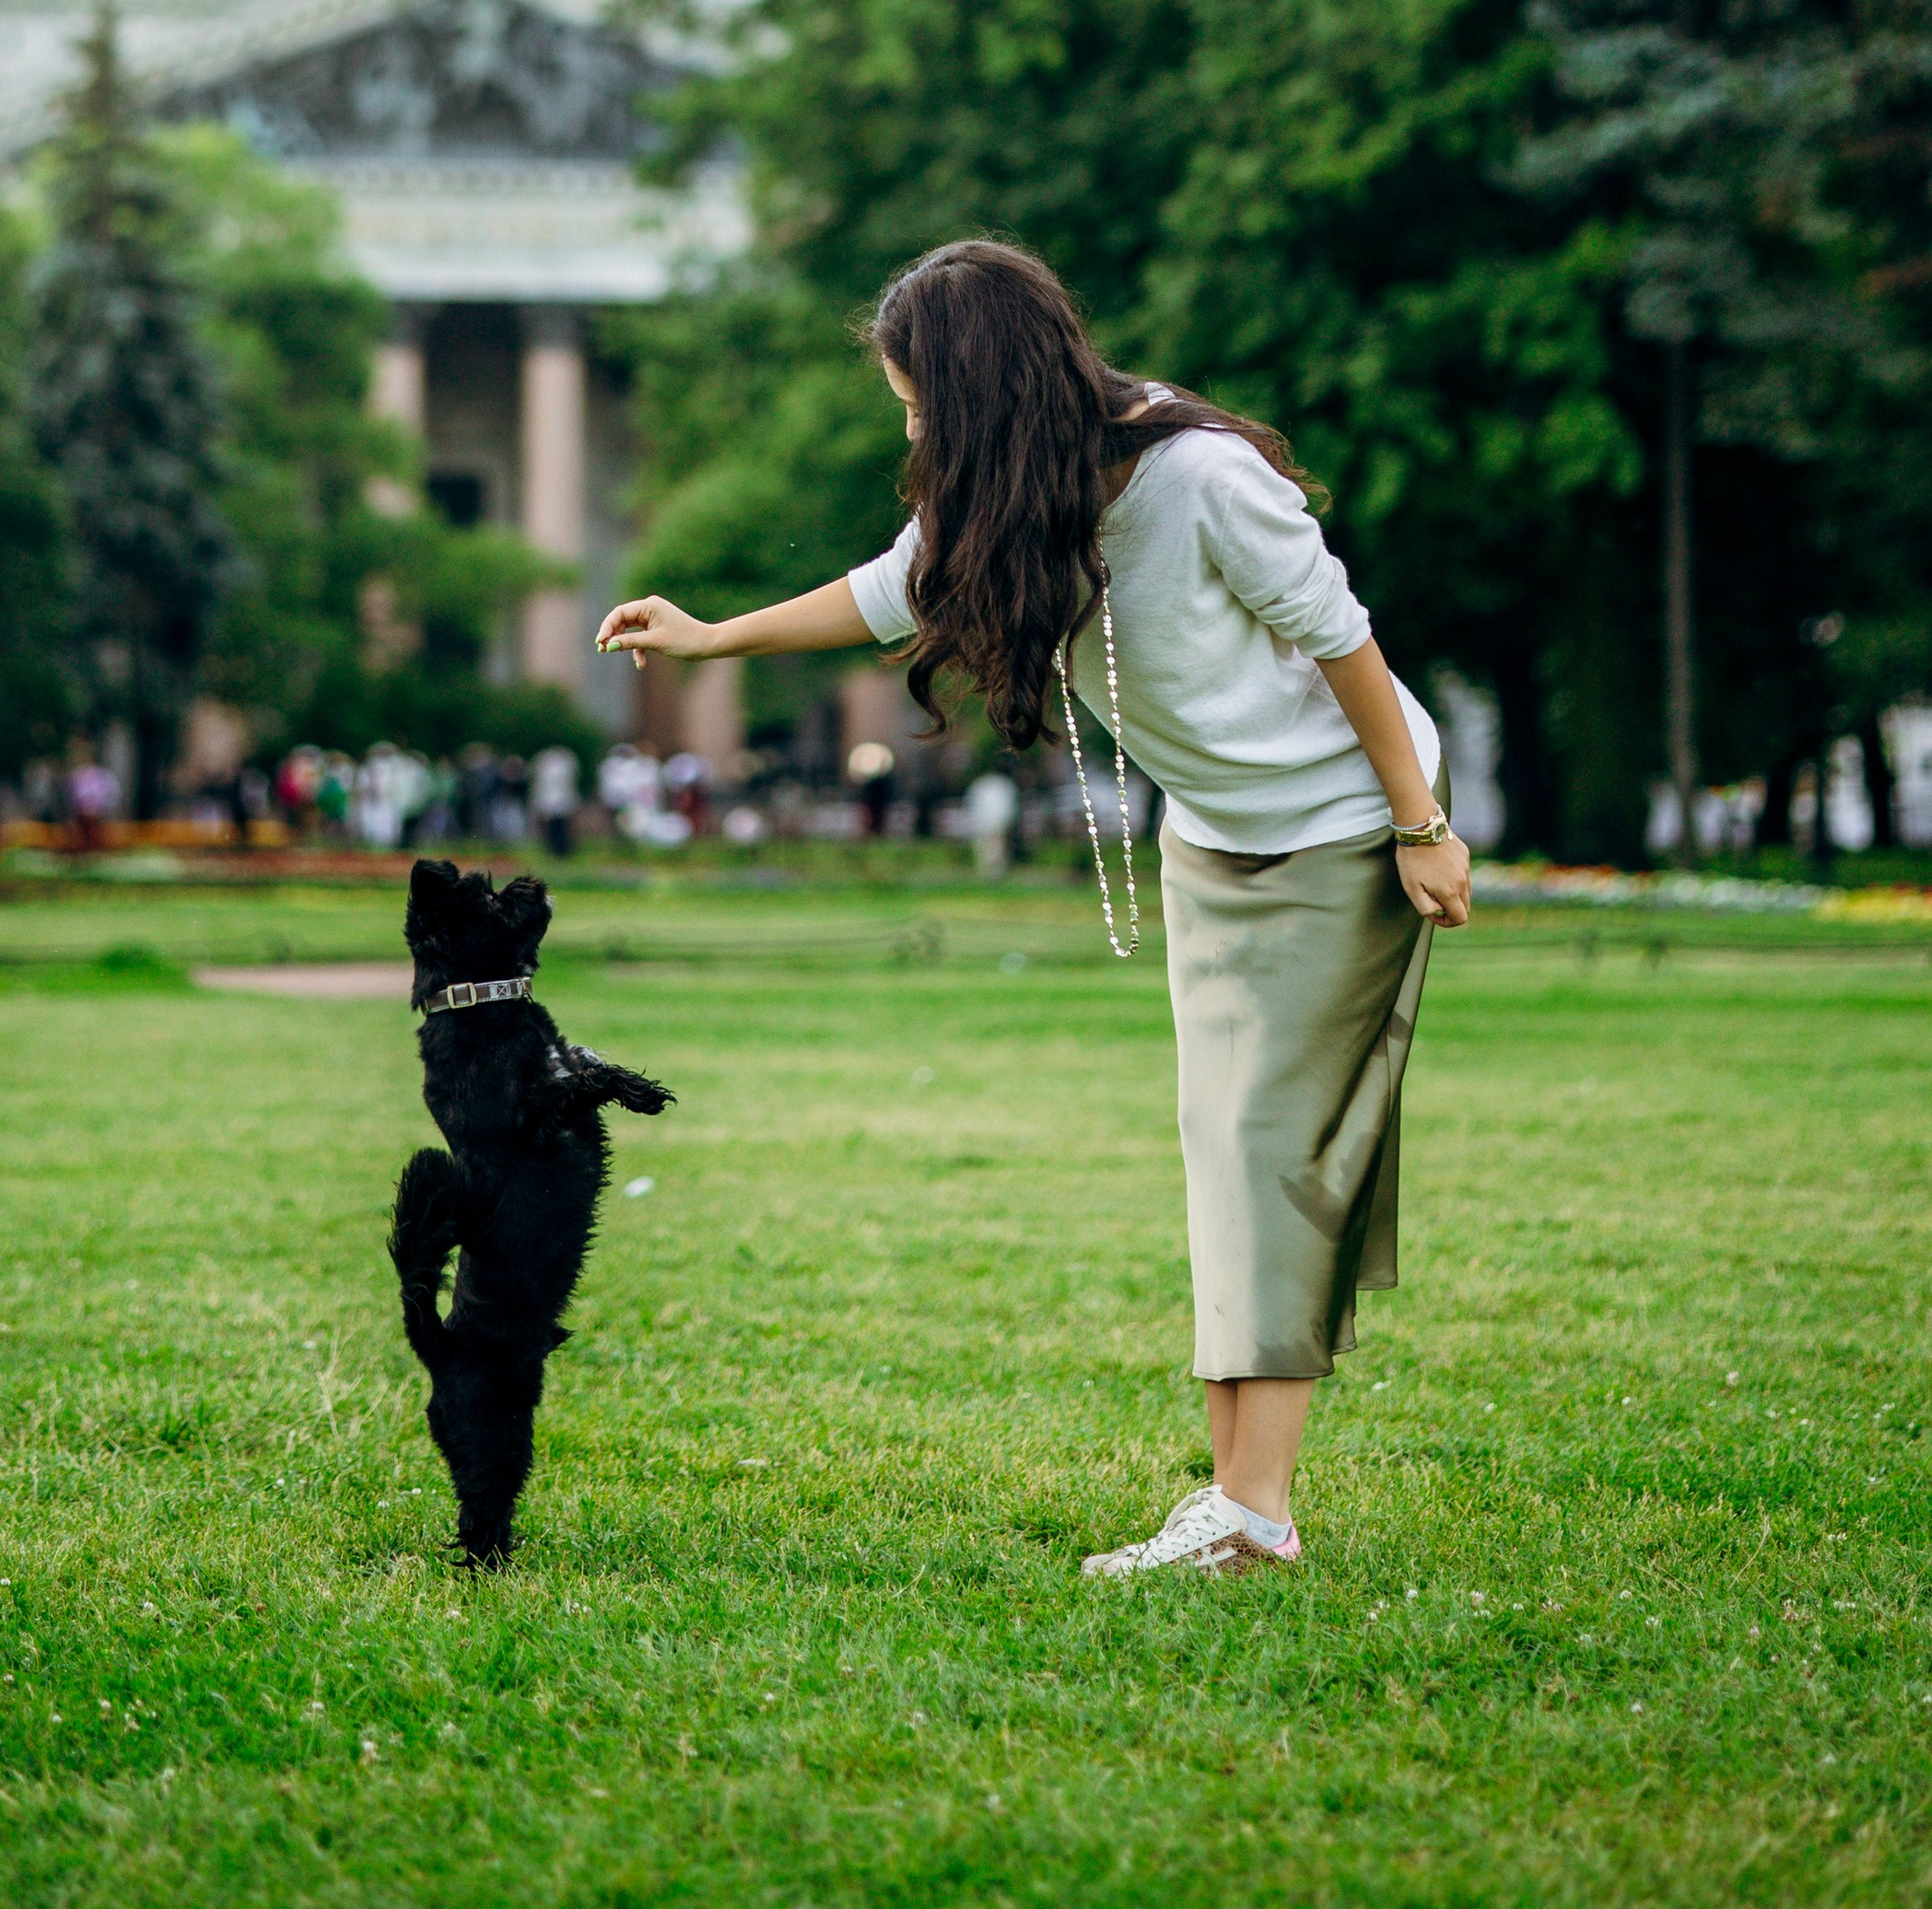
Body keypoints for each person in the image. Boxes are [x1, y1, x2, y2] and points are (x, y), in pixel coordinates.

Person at [598, 237, 1472, 1582]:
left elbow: (1344, 635)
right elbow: (881, 594)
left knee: (1275, 1155)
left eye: (916, 400)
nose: (910, 425)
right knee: (1223, 1150)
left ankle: (1255, 1513)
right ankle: (1236, 1502)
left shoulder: (1198, 474)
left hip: (1343, 829)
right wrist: (711, 635)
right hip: (1217, 839)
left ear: (980, 383)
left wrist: (1421, 826)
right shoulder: (1010, 492)